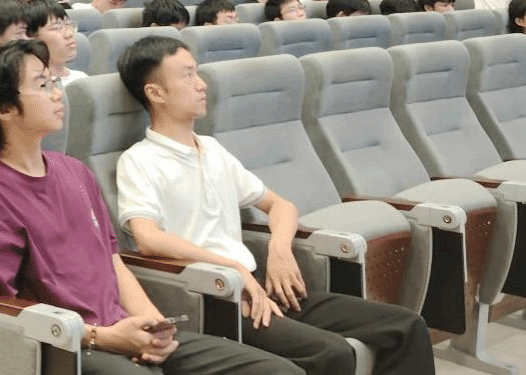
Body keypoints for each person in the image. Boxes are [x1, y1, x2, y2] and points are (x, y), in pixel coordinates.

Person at [0, 40, 295, 375]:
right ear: (4, 109)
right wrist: (103, 338)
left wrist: (154, 325)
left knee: (276, 370)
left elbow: (113, 261)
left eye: (54, 82)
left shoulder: (74, 171)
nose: (57, 94)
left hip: (125, 327)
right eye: (42, 86)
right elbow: (6, 310)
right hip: (70, 347)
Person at [116, 36, 435, 375]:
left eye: (198, 73)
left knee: (405, 326)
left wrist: (279, 251)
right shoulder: (139, 161)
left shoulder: (211, 149)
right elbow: (147, 237)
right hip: (217, 296)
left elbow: (281, 206)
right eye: (187, 75)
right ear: (156, 93)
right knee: (332, 352)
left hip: (259, 284)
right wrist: (232, 268)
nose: (201, 84)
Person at [23, 0, 83, 84]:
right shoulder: (31, 87)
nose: (69, 34)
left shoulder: (82, 78)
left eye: (68, 24)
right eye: (57, 27)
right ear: (31, 38)